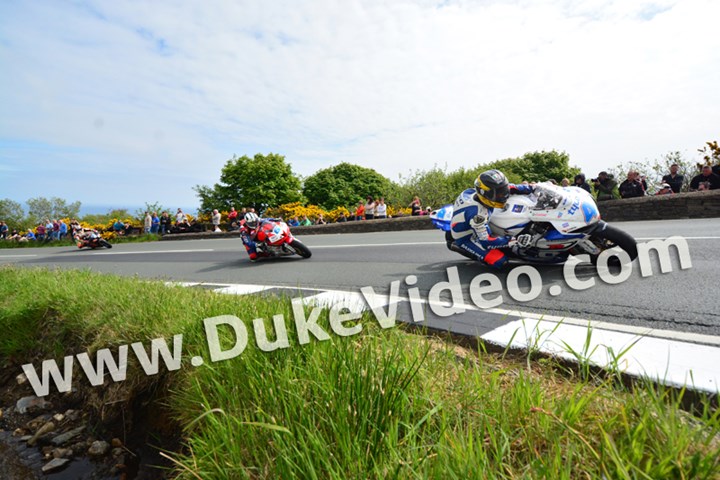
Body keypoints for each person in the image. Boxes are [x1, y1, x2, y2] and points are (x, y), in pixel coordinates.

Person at [448, 169, 534, 269]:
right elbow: (486, 241)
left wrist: (532, 187)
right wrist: (514, 241)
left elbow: (511, 187)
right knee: (500, 261)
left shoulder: (479, 192)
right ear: (485, 194)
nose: (504, 195)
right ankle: (464, 249)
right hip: (467, 237)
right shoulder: (477, 215)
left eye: (503, 190)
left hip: (472, 220)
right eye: (499, 193)